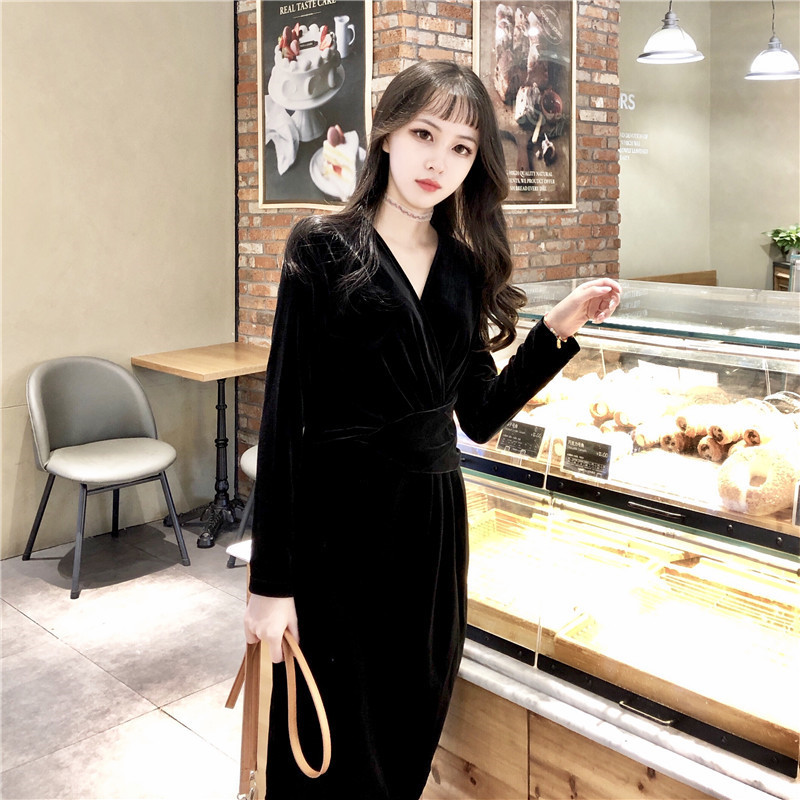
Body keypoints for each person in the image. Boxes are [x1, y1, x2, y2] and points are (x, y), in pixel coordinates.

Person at [243, 60, 621, 799]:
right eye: (424, 134)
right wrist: (270, 584)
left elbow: (477, 415)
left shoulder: (462, 268)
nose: (438, 161)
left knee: (405, 734)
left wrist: (553, 332)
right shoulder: (322, 246)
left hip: (432, 536)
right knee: (324, 745)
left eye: (461, 147)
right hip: (339, 532)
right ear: (386, 134)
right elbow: (284, 421)